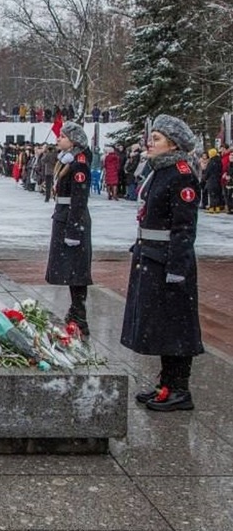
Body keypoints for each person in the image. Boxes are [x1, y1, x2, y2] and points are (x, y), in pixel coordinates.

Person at [122, 114, 203, 411]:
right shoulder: (160, 170)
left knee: (177, 326)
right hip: (152, 255)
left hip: (168, 260)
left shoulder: (181, 174)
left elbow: (184, 227)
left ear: (173, 144)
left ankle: (180, 388)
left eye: (156, 139)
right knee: (162, 324)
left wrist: (177, 269)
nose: (149, 142)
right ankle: (166, 383)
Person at [45, 121, 92, 338]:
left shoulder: (79, 163)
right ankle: (75, 311)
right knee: (70, 269)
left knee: (77, 270)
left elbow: (79, 199)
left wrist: (74, 230)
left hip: (72, 219)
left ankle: (79, 314)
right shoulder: (68, 160)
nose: (58, 139)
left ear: (73, 141)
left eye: (62, 136)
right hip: (64, 217)